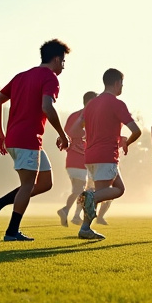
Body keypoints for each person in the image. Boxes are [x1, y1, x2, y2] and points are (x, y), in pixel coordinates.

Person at [0, 40, 71, 242]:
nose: (64, 66)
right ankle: (12, 232)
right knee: (28, 185)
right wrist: (63, 135)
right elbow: (47, 107)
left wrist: (2, 134)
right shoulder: (50, 78)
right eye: (63, 62)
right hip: (27, 140)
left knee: (45, 183)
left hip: (17, 139)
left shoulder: (21, 76)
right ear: (57, 59)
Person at [69, 68, 142, 240]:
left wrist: (91, 137)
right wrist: (126, 142)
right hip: (106, 156)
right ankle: (85, 226)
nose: (122, 87)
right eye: (122, 84)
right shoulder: (117, 104)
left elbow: (74, 129)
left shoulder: (91, 104)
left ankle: (87, 215)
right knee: (98, 195)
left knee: (119, 189)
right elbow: (136, 131)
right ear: (117, 83)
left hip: (91, 156)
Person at [57, 91, 97, 227]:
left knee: (84, 190)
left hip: (78, 161)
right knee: (79, 190)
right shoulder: (83, 117)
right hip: (77, 160)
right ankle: (65, 210)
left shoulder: (74, 116)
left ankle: (76, 215)